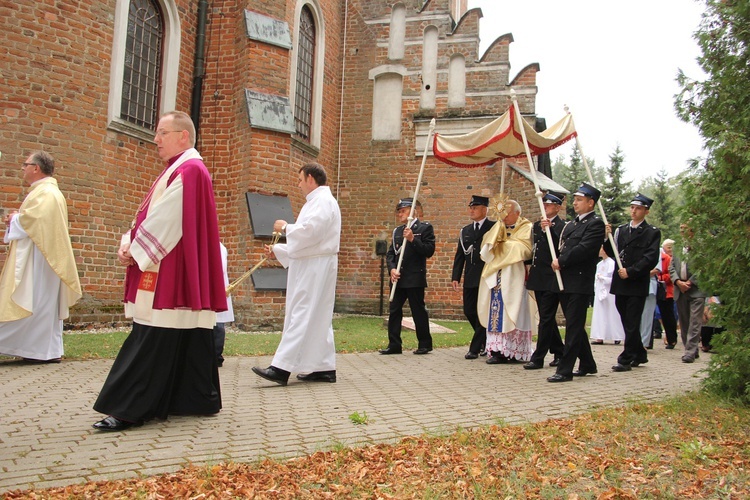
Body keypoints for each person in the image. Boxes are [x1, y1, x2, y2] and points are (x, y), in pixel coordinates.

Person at [93, 111, 227, 431]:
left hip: (170, 266)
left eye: (162, 133)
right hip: (174, 262)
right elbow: (148, 214)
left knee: (151, 335)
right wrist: (130, 240)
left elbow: (167, 219)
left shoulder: (190, 169)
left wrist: (135, 251)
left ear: (183, 136)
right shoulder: (179, 169)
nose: (156, 140)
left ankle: (128, 408)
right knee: (181, 335)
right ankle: (192, 399)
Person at [252, 163, 342, 384]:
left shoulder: (322, 201)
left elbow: (312, 232)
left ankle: (281, 368)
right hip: (314, 263)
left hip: (315, 267)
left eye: (301, 179)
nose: (299, 184)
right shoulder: (318, 202)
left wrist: (286, 228)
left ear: (311, 178)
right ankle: (323, 366)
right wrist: (279, 250)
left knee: (302, 313)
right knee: (317, 315)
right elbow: (311, 243)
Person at [0, 151, 82, 363]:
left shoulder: (47, 193)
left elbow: (36, 220)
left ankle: (40, 352)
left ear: (36, 168)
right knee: (37, 304)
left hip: (41, 261)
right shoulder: (44, 191)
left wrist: (16, 218)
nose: (23, 168)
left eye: (25, 164)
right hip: (40, 256)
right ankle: (39, 351)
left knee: (32, 302)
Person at [548, 183, 604, 382]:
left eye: (579, 200)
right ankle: (588, 363)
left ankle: (565, 369)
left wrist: (561, 261)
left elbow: (585, 249)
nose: (575, 203)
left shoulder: (596, 224)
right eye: (575, 199)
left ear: (591, 203)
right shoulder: (571, 225)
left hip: (580, 282)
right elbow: (561, 246)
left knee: (573, 326)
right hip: (564, 281)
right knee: (576, 326)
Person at [605, 193, 661, 373]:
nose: (634, 211)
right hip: (621, 282)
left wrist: (631, 271)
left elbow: (650, 258)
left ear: (646, 211)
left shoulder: (651, 232)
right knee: (626, 319)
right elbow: (611, 251)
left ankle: (626, 358)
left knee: (631, 320)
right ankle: (639, 353)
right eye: (632, 207)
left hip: (636, 282)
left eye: (638, 208)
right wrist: (607, 236)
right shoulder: (621, 230)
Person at [477, 199, 534, 364]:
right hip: (497, 277)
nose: (504, 216)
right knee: (495, 312)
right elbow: (486, 245)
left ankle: (513, 350)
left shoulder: (527, 228)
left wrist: (502, 246)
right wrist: (496, 237)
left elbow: (524, 249)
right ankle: (497, 350)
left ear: (517, 213)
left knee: (513, 311)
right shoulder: (498, 227)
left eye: (507, 213)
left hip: (515, 277)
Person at [379, 198, 435, 355]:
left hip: (414, 278)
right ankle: (394, 344)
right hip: (398, 278)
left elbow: (429, 250)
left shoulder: (424, 228)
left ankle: (424, 343)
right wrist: (391, 269)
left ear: (413, 211)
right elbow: (391, 254)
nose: (400, 214)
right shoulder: (397, 231)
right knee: (394, 310)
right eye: (399, 211)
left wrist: (413, 239)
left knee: (418, 311)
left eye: (403, 211)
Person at [524, 192, 566, 369]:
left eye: (549, 205)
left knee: (546, 318)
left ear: (557, 207)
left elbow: (560, 247)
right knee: (546, 317)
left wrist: (551, 229)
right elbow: (535, 249)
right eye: (544, 204)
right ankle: (559, 351)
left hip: (552, 277)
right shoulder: (537, 225)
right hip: (539, 276)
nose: (546, 207)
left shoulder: (562, 226)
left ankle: (538, 356)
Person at [451, 195, 495, 359]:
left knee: (483, 311)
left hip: (486, 277)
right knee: (469, 311)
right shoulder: (466, 231)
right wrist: (456, 276)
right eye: (471, 207)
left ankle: (475, 348)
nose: (471, 210)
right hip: (470, 277)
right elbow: (460, 255)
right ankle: (484, 340)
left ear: (485, 209)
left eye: (475, 207)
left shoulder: (494, 227)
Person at [669, 223, 706, 363]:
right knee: (684, 322)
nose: (682, 231)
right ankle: (691, 348)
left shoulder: (701, 246)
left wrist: (690, 282)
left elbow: (704, 266)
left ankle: (689, 352)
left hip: (696, 289)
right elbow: (671, 267)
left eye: (685, 228)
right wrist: (678, 281)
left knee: (695, 322)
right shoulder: (678, 246)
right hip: (680, 288)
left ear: (693, 229)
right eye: (680, 228)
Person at [590, 246, 625, 345]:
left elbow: (612, 278)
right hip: (600, 291)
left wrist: (603, 279)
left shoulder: (612, 263)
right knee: (600, 313)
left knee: (612, 312)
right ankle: (599, 336)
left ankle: (616, 336)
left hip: (609, 291)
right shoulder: (599, 264)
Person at [214, 242, 235, 367]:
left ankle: (216, 356)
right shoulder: (220, 246)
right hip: (218, 288)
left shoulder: (218, 247)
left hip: (217, 288)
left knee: (217, 325)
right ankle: (215, 356)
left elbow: (220, 268)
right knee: (217, 324)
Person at [657, 239, 678, 349]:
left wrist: (659, 278)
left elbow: (670, 274)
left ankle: (672, 339)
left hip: (666, 291)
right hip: (653, 289)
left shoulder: (668, 259)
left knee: (668, 315)